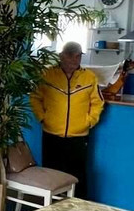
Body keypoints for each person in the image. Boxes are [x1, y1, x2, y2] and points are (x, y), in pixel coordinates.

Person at [29, 42, 104, 198]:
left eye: (78, 56)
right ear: (61, 56)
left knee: (78, 175)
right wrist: (43, 118)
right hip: (51, 134)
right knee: (52, 174)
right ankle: (52, 205)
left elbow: (97, 102)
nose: (74, 60)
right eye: (70, 56)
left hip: (79, 136)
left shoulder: (89, 77)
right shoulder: (47, 75)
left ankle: (78, 207)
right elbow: (35, 98)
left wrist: (90, 121)